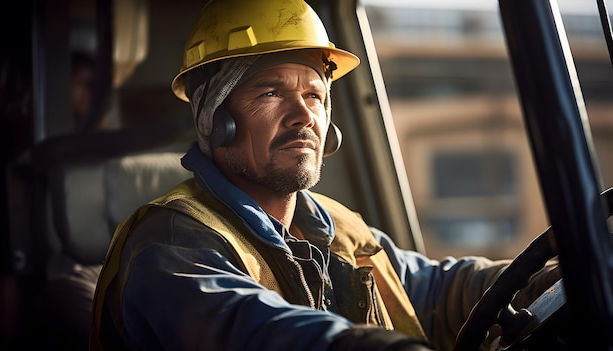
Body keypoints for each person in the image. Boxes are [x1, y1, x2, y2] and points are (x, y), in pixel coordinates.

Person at [89, 0, 560, 350]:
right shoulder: (172, 240)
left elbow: (433, 291)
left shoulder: (339, 228)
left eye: (314, 96)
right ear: (215, 119)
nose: (303, 116)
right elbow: (256, 332)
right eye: (271, 92)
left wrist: (549, 279)